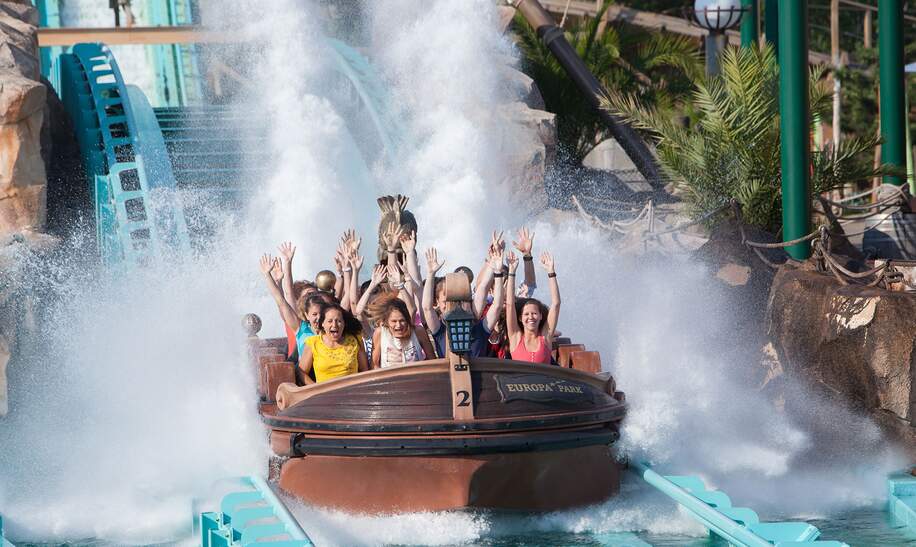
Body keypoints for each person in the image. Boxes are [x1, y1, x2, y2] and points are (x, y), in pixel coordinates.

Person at [423, 246, 505, 358]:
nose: (456, 305)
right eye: (449, 300)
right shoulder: (440, 331)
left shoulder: (480, 329)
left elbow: (497, 305)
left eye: (462, 300)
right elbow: (427, 308)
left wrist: (498, 273)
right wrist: (430, 274)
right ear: (438, 302)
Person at [505, 251, 560, 364]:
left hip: (544, 381)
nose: (531, 317)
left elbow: (556, 304)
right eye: (526, 314)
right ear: (520, 318)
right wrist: (511, 272)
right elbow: (510, 305)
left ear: (540, 316)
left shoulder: (545, 337)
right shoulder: (515, 337)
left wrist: (551, 272)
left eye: (534, 313)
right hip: (519, 382)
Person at [299, 303, 368, 383]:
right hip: (324, 393)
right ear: (322, 324)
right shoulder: (313, 343)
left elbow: (364, 369)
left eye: (339, 321)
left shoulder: (355, 340)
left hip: (351, 392)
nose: (334, 325)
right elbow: (302, 372)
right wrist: (314, 388)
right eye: (330, 321)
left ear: (344, 324)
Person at [370, 295, 435, 368]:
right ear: (386, 321)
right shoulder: (380, 333)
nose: (398, 325)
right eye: (394, 321)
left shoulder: (418, 332)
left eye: (402, 320)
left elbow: (432, 359)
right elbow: (374, 365)